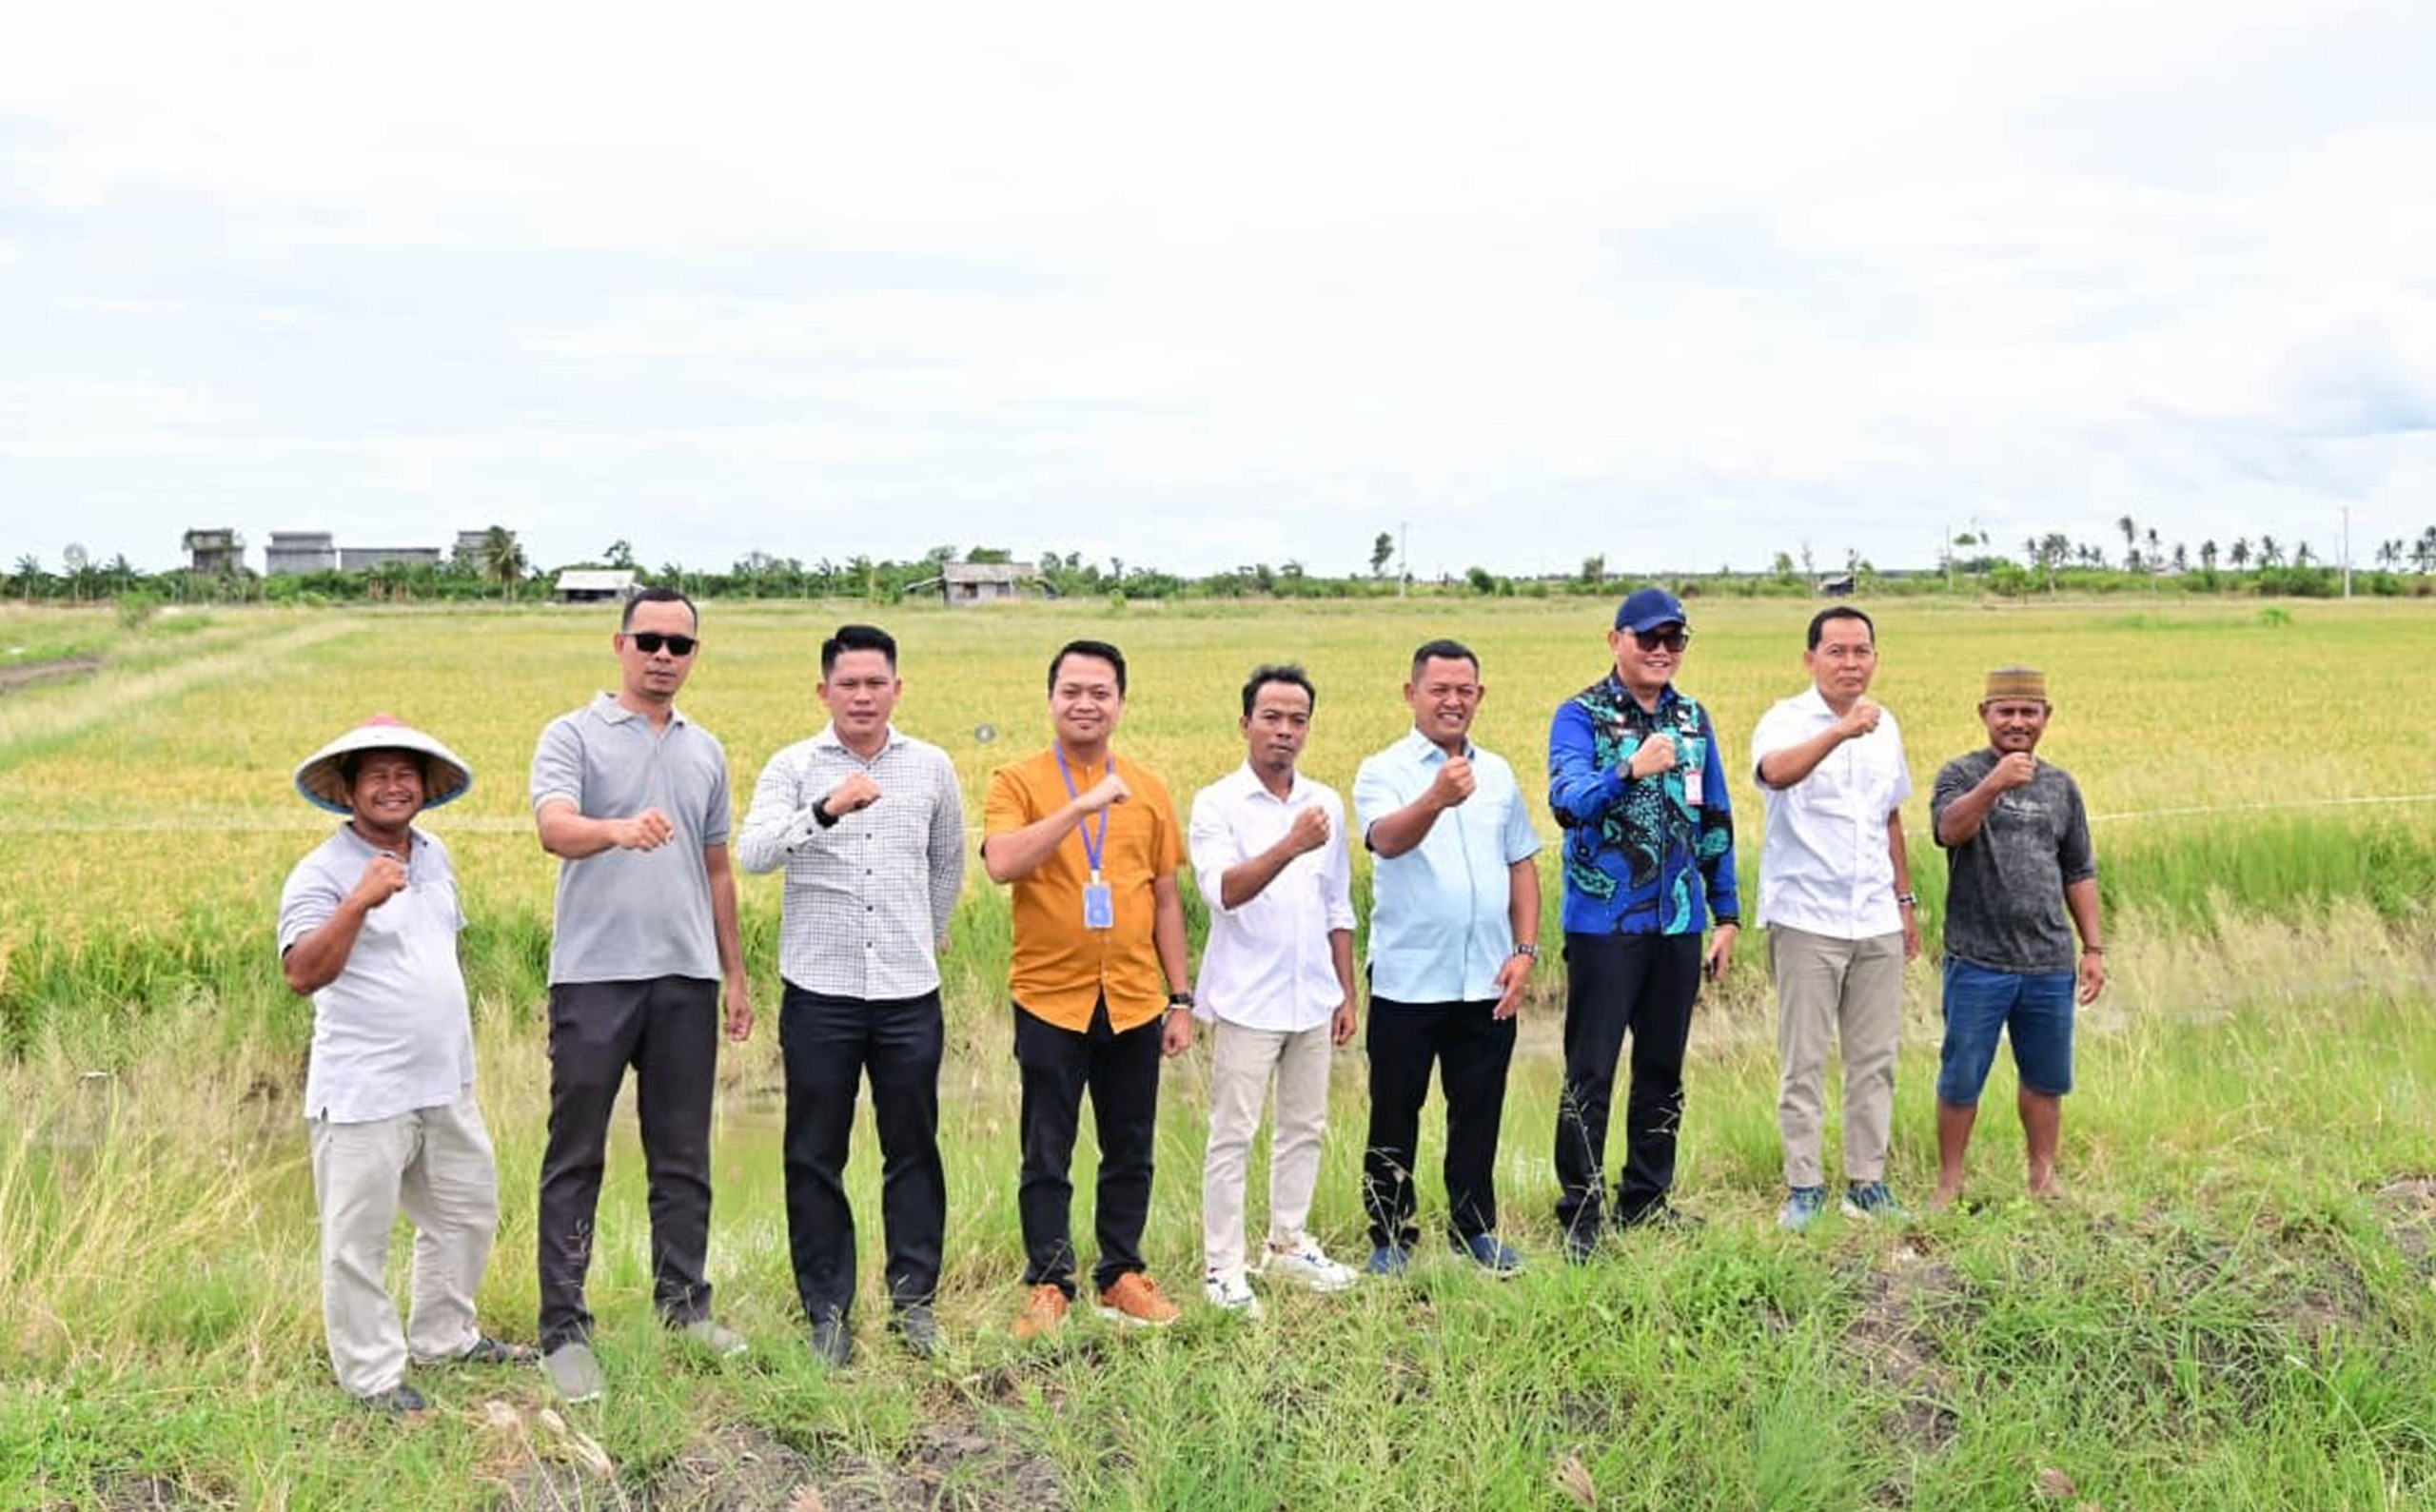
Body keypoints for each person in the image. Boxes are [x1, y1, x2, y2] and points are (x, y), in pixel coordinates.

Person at [529, 587, 755, 1404]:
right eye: (649, 640)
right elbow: (554, 827)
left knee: (684, 1153)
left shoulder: (707, 750)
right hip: (594, 975)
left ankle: (685, 1307)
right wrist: (618, 830)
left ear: (695, 654)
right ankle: (563, 1327)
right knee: (577, 1151)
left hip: (687, 977)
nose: (664, 655)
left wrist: (734, 974)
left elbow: (718, 867)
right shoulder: (572, 735)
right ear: (619, 643)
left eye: (680, 644)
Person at [278, 716, 534, 1414]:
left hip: (444, 1080)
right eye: (377, 775)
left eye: (405, 774)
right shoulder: (321, 873)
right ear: (350, 790)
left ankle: (445, 1336)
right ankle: (372, 1376)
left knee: (467, 1211)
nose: (393, 787)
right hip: (364, 1090)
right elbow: (302, 972)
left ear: (424, 786)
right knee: (356, 1240)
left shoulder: (436, 855)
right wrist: (358, 900)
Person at [737, 623, 965, 1365]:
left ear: (898, 688)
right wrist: (826, 810)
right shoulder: (794, 766)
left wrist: (920, 938)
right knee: (813, 1153)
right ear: (824, 690)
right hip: (820, 992)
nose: (862, 695)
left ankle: (913, 1304)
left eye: (876, 682)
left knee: (913, 1150)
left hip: (907, 992)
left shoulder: (930, 766)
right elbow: (754, 853)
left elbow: (947, 862)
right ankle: (827, 1312)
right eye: (848, 683)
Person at [982, 638, 1195, 1338]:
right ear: (1051, 700)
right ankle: (1049, 1281)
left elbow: (1165, 896)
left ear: (1120, 703)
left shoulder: (1150, 788)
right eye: (1072, 690)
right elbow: (1004, 863)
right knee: (1047, 1146)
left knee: (1130, 1143)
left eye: (1099, 691)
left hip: (1133, 995)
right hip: (1050, 995)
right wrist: (1082, 806)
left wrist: (1181, 995)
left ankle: (1121, 1273)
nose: (1085, 703)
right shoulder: (1016, 781)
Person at [1548, 587, 1739, 1257]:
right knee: (1592, 1070)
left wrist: (1727, 912)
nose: (1662, 651)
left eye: (1674, 640)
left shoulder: (1693, 718)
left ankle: (1647, 1198)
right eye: (1648, 638)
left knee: (1663, 1066)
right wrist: (1629, 769)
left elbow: (1714, 814)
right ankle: (1580, 1211)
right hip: (1606, 924)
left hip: (1680, 919)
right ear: (1616, 640)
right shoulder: (1581, 715)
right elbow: (1567, 801)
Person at [1353, 638, 1542, 1278]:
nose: (1453, 700)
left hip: (1486, 977)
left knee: (1478, 1109)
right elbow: (1385, 840)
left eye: (1465, 690)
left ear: (1479, 696)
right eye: (1439, 689)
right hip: (1409, 977)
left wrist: (1524, 950)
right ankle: (1390, 1233)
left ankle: (1474, 1228)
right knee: (1394, 1110)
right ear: (1412, 694)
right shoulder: (1383, 769)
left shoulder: (1501, 773)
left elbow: (1522, 861)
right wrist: (1436, 796)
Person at [1189, 665, 1359, 1315]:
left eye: (1297, 719)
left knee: (1305, 1125)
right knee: (1233, 1130)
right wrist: (1290, 843)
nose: (1284, 730)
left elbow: (1337, 903)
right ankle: (1222, 1268)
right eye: (1272, 717)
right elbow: (1224, 891)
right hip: (1246, 997)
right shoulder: (1217, 803)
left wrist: (1345, 990)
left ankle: (1287, 1245)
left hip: (1311, 993)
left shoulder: (1326, 803)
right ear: (1245, 723)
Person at [1751, 606, 1921, 1230]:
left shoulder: (1888, 724)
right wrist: (1843, 730)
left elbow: (1890, 817)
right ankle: (1804, 1187)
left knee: (1874, 1058)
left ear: (1875, 656)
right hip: (1806, 915)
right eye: (1837, 650)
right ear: (1811, 658)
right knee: (1804, 1059)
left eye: (1862, 650)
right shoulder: (1785, 720)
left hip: (1874, 912)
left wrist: (1905, 903)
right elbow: (1775, 773)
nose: (1851, 662)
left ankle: (1867, 1181)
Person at [1930, 666, 2106, 1208]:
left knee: (2046, 1079)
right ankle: (1950, 1182)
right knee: (1962, 1076)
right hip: (1978, 959)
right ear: (1984, 714)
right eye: (2005, 711)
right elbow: (1948, 830)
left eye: (2029, 712)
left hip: (2049, 961)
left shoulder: (2061, 786)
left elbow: (2078, 869)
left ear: (2046, 718)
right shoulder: (1960, 774)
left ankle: (2043, 1177)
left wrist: (2093, 948)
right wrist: (1996, 783)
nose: (2017, 722)